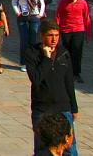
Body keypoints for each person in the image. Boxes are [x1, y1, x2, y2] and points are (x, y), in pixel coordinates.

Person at [24, 22, 78, 156]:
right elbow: (36, 79)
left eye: (57, 35)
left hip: (63, 107)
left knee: (69, 149)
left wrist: (74, 107)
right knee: (42, 149)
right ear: (42, 36)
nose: (54, 39)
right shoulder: (32, 53)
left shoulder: (63, 53)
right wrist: (47, 59)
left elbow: (69, 82)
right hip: (42, 109)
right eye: (50, 35)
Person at [55, 0, 91, 83]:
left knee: (77, 51)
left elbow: (86, 17)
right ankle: (66, 72)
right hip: (66, 30)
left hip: (79, 30)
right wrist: (56, 31)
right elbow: (58, 16)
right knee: (66, 52)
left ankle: (76, 73)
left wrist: (88, 33)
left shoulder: (83, 3)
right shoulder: (63, 2)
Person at [13, 0, 47, 70]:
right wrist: (17, 12)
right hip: (23, 16)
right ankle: (23, 62)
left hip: (34, 16)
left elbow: (42, 2)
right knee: (24, 40)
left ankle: (32, 61)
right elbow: (14, 1)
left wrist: (40, 15)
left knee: (33, 40)